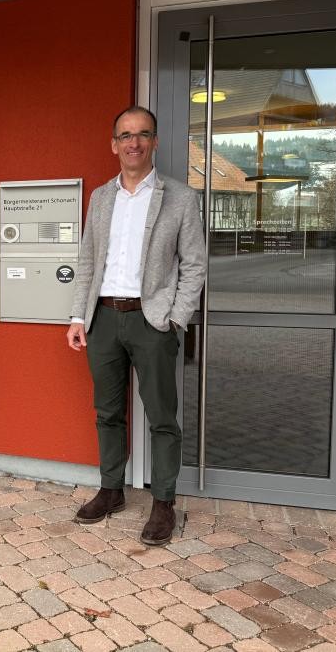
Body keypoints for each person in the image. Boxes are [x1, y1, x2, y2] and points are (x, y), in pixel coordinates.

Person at [66, 106, 206, 545]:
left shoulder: (180, 197)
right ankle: (112, 491)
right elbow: (88, 260)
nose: (134, 143)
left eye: (143, 134)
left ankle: (164, 502)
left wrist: (175, 318)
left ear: (155, 142)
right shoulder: (101, 198)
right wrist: (77, 317)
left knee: (162, 416)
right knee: (107, 412)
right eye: (125, 135)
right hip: (103, 318)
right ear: (114, 144)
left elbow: (195, 265)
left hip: (152, 321)